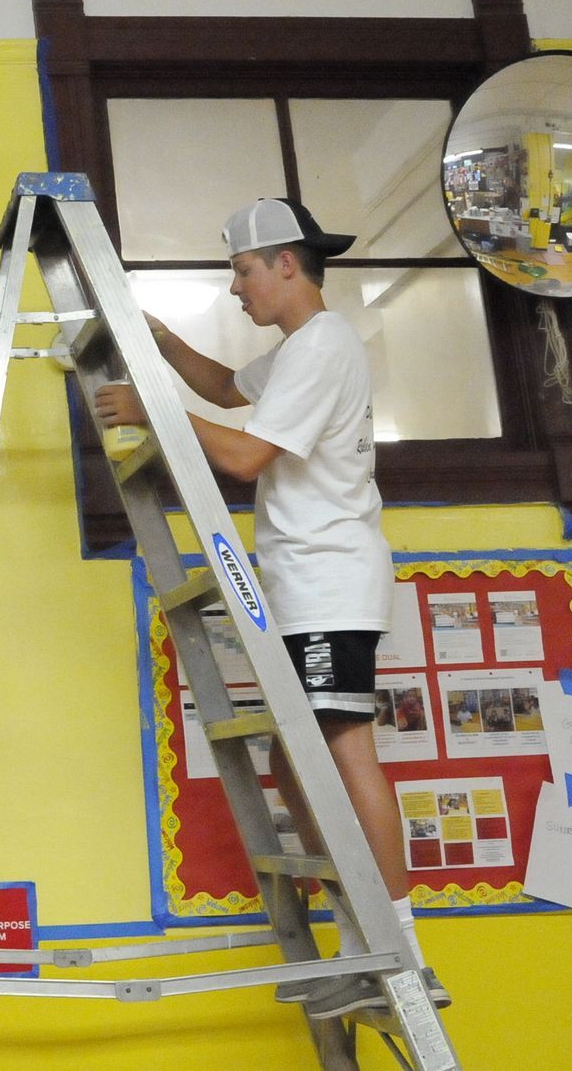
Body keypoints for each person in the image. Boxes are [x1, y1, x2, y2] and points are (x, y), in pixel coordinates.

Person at [93, 197, 447, 1020]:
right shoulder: (295, 352)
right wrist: (153, 338)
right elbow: (224, 384)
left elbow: (248, 455)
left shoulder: (322, 347)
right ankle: (361, 932)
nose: (236, 291)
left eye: (243, 271)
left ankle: (402, 948)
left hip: (329, 579)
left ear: (287, 263)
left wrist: (154, 410)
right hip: (299, 583)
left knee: (341, 745)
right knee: (296, 759)